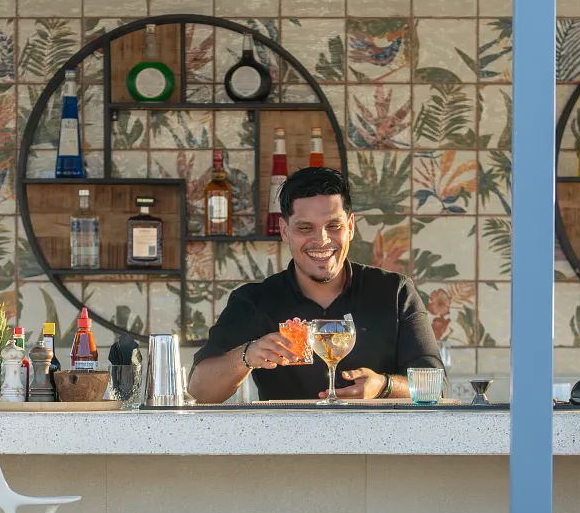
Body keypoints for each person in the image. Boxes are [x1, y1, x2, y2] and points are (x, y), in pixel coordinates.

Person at [189, 165, 442, 403]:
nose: (321, 240)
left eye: (333, 226)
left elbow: (436, 387)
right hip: (284, 446)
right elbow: (199, 390)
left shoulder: (394, 292)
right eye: (305, 228)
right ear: (285, 231)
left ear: (350, 227)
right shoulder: (252, 301)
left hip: (378, 447)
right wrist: (246, 356)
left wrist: (383, 386)